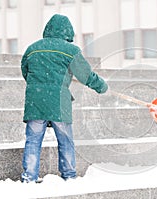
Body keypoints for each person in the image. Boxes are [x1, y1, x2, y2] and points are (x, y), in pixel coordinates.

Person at [20, 14, 108, 183]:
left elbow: (25, 70)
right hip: (59, 102)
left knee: (32, 141)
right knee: (65, 140)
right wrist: (102, 87)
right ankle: (69, 175)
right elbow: (86, 75)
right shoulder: (71, 50)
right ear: (68, 32)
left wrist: (39, 85)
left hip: (35, 101)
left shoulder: (32, 48)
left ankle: (29, 177)